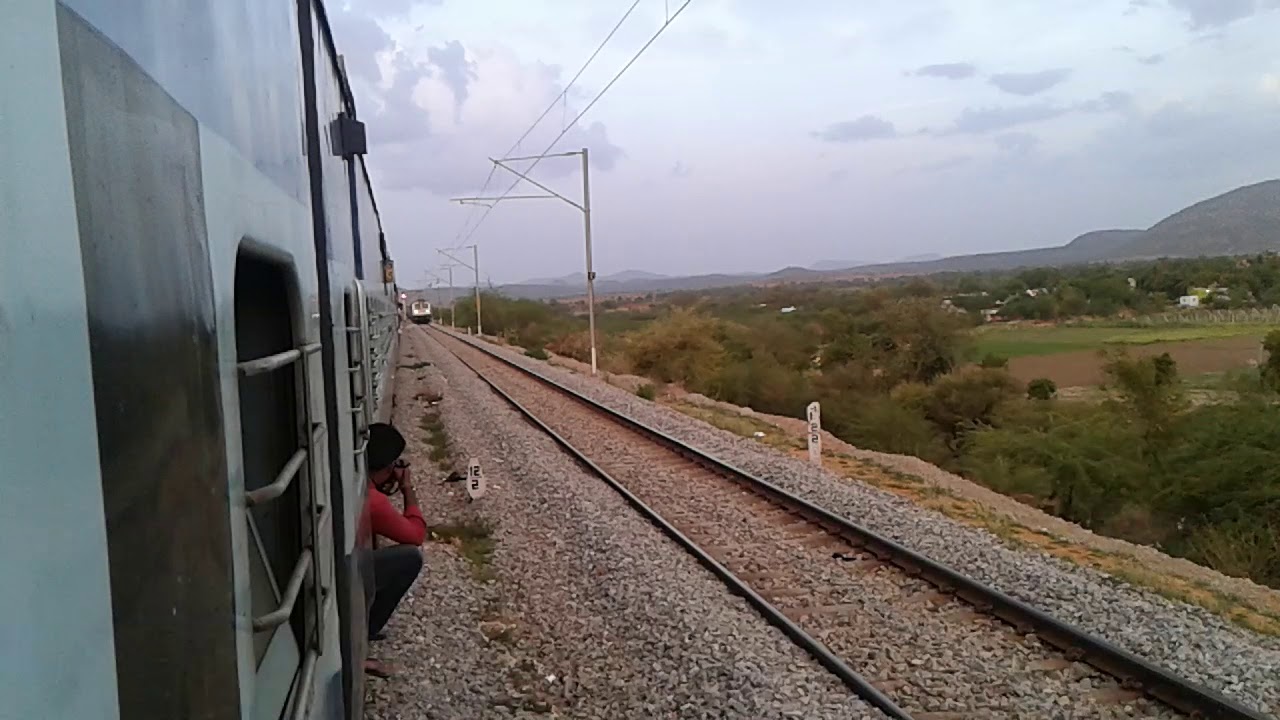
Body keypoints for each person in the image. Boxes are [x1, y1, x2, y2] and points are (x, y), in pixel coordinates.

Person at [363, 422, 426, 678]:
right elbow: (415, 535)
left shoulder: (362, 489)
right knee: (410, 558)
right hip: (342, 573)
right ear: (388, 467)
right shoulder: (373, 501)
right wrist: (407, 488)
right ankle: (366, 630)